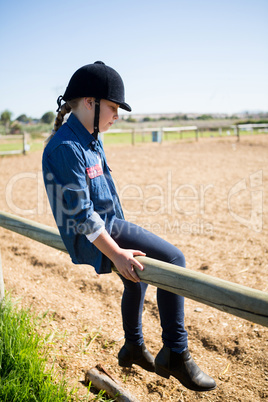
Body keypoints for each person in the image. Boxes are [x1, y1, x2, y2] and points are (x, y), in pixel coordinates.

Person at [42, 61, 216, 392]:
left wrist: (122, 248)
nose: (117, 115)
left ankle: (133, 347)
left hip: (110, 224)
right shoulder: (66, 147)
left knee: (136, 282)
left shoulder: (90, 136)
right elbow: (81, 215)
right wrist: (117, 253)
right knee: (173, 260)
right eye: (113, 107)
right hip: (97, 232)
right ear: (90, 103)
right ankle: (176, 353)